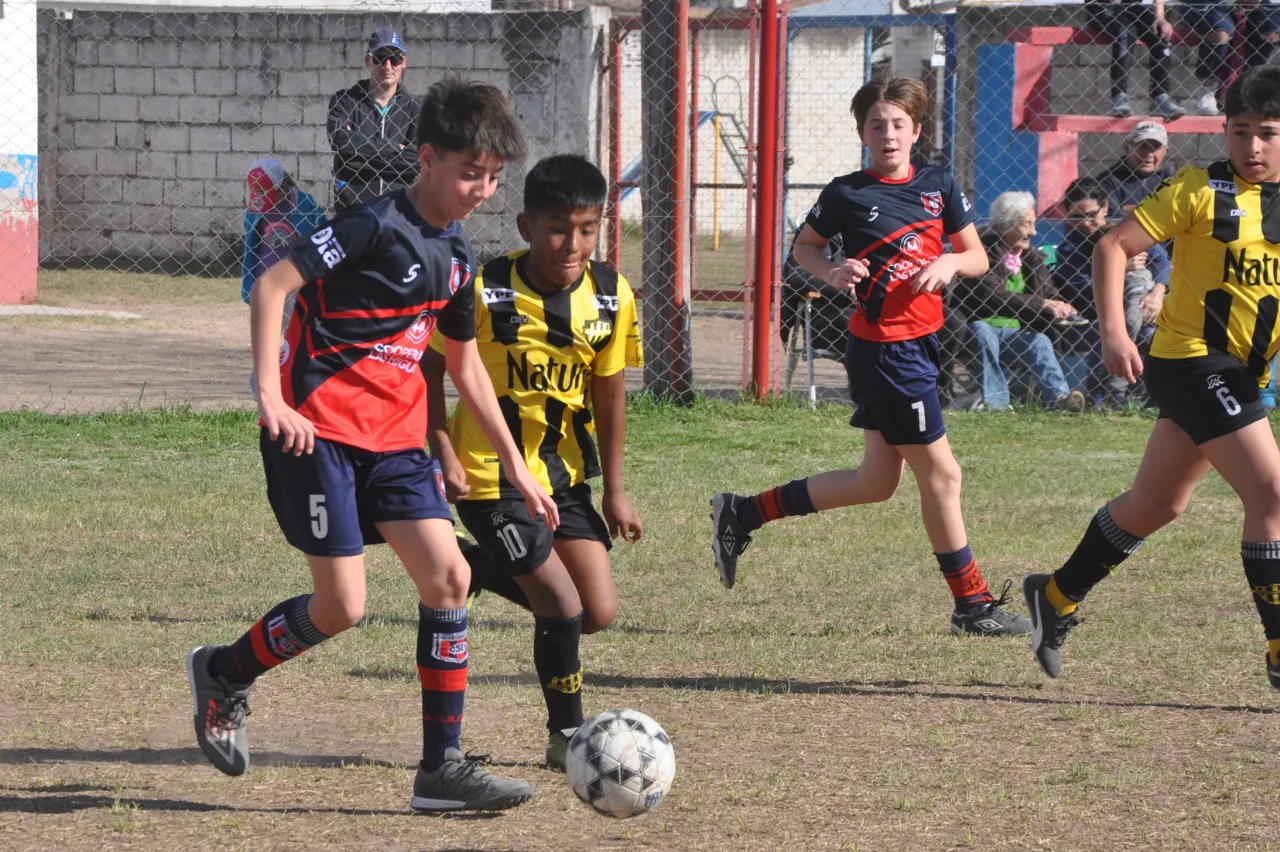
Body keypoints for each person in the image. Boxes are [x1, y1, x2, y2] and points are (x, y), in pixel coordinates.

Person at [186, 79, 561, 812]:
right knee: (342, 607)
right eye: (469, 171)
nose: (482, 188)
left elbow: (463, 362)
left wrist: (515, 464)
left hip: (396, 443)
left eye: (492, 176)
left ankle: (440, 770)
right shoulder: (368, 225)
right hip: (318, 434)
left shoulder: (457, 255)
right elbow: (272, 285)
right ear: (427, 158)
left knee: (449, 578)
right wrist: (269, 395)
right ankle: (226, 671)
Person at [710, 77, 1032, 637]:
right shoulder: (847, 193)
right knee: (943, 476)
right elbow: (803, 247)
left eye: (898, 124)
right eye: (876, 125)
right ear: (862, 132)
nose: (888, 134)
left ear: (917, 131)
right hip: (886, 351)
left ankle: (742, 513)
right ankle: (972, 605)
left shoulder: (938, 186)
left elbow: (977, 255)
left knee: (875, 482)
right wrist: (831, 271)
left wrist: (950, 265)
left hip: (921, 345)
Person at [1023, 67, 1280, 690]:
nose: (1251, 146)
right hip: (1190, 362)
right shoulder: (1200, 190)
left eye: (1268, 133)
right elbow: (1113, 245)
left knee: (1160, 504)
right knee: (1272, 494)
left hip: (1242, 373)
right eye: (1239, 131)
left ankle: (1055, 596)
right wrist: (1113, 330)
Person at [424, 153, 644, 772]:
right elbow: (431, 365)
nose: (570, 243)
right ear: (525, 226)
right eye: (555, 227)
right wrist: (442, 446)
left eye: (585, 229)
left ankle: (462, 566)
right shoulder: (486, 289)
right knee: (561, 605)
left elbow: (609, 390)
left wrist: (615, 489)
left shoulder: (610, 294)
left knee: (596, 612)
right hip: (490, 477)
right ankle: (566, 739)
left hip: (565, 479)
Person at [951, 191, 1088, 412]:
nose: (1034, 232)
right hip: (975, 332)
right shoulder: (982, 254)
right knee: (982, 330)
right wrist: (1042, 304)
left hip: (1011, 335)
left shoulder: (1030, 258)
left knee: (1039, 341)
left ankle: (1060, 399)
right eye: (1027, 225)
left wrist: (1062, 305)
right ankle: (998, 406)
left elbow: (1049, 292)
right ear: (1007, 224)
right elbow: (994, 296)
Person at [1054, 177, 1165, 406]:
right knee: (1140, 335)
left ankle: (1150, 398)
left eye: (1092, 214)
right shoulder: (1069, 250)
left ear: (1105, 206)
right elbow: (1084, 290)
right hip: (1100, 317)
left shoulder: (1123, 231)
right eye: (1077, 216)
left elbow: (1163, 263)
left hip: (1148, 305)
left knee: (1157, 335)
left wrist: (1157, 293)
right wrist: (1117, 268)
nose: (1086, 223)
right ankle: (1112, 397)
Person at [241, 158, 326, 395]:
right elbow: (251, 243)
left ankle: (296, 382)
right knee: (265, 338)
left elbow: (319, 235)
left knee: (296, 335)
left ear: (281, 186)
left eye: (268, 194)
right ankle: (262, 389)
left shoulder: (303, 204)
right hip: (265, 279)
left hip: (294, 282)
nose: (263, 202)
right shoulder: (256, 206)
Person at [327, 28, 420, 211]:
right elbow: (341, 143)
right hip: (354, 209)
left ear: (404, 63)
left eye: (395, 59)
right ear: (367, 60)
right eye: (380, 58)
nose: (387, 66)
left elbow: (418, 159)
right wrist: (395, 149)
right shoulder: (345, 101)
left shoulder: (416, 108)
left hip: (399, 213)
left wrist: (360, 160)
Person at [1082, 0, 1185, 119]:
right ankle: (1119, 97)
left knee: (1161, 32)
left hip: (1131, 4)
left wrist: (1160, 17)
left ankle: (1160, 98)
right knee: (1125, 32)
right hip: (1101, 4)